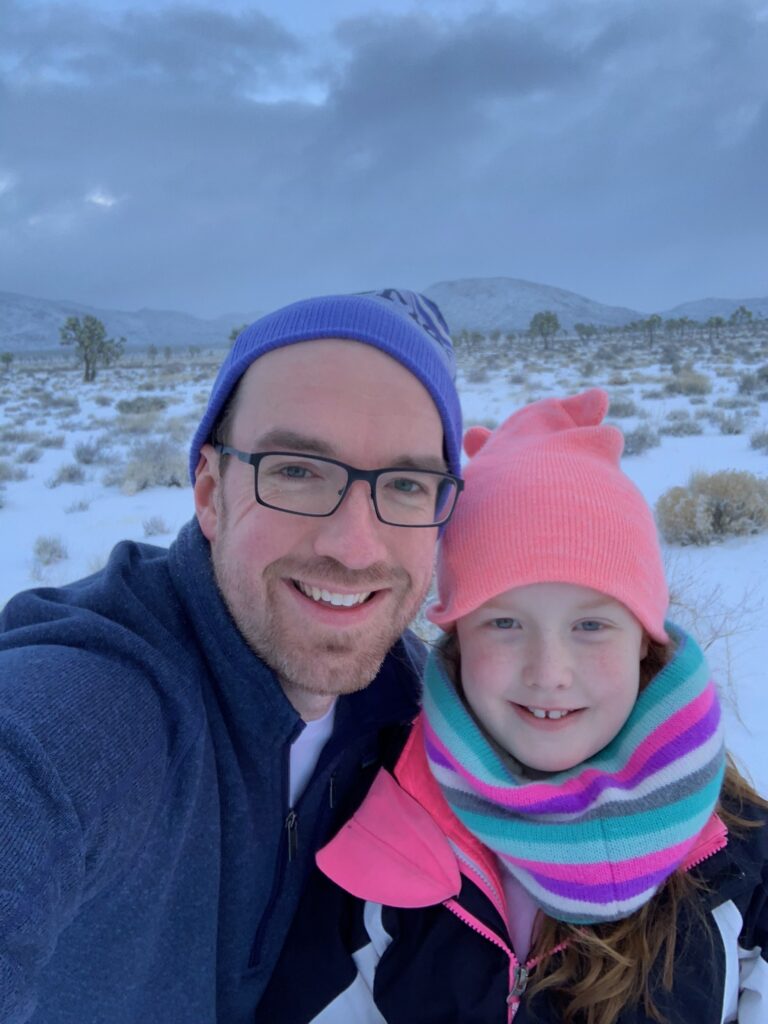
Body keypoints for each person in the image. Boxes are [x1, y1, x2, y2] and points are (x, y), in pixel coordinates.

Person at [0, 289, 464, 1023]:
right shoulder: (86, 717)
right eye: (297, 471)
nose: (353, 544)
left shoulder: (420, 708)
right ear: (211, 493)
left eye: (405, 485)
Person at [257, 388, 768, 1024]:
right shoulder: (382, 842)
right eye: (503, 623)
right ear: (456, 641)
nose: (549, 672)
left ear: (645, 639)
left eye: (591, 626)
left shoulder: (740, 860)